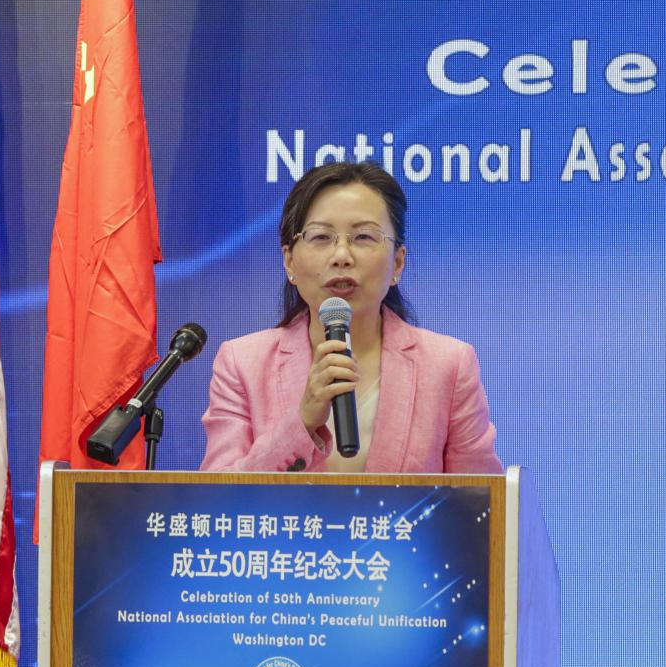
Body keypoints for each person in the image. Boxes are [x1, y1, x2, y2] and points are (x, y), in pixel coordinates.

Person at [200, 161, 503, 474]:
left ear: (398, 263)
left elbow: (483, 497)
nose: (342, 256)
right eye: (321, 237)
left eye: (363, 237)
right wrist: (302, 423)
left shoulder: (448, 366)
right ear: (289, 261)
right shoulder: (242, 364)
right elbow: (219, 496)